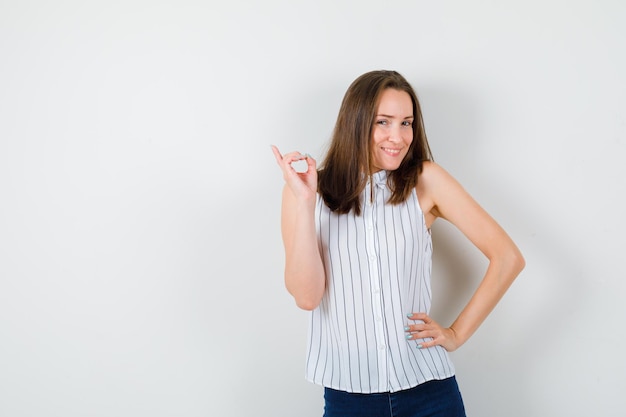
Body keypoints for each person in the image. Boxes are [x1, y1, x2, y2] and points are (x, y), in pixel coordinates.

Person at [271, 70, 525, 417]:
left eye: (406, 123)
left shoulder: (426, 181)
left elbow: (508, 257)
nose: (398, 136)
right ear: (355, 123)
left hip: (430, 392)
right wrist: (304, 202)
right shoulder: (306, 193)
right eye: (383, 122)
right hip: (349, 399)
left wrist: (455, 334)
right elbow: (307, 296)